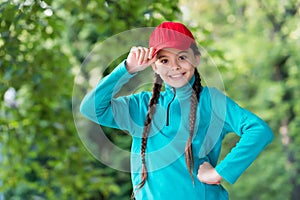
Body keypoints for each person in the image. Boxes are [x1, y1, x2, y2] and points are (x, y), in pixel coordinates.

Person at [80, 21, 274, 200]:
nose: (174, 66)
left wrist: (220, 172)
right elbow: (90, 108)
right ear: (154, 65)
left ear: (196, 59)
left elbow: (258, 130)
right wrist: (127, 68)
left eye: (182, 57)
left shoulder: (211, 101)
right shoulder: (140, 106)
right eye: (164, 60)